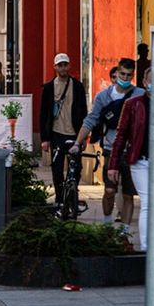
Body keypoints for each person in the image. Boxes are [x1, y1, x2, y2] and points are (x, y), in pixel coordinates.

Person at [71, 59, 143, 225]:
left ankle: (124, 232)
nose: (125, 78)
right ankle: (107, 221)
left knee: (128, 194)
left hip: (133, 151)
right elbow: (91, 120)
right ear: (116, 73)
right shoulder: (103, 97)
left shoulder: (139, 94)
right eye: (122, 74)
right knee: (110, 190)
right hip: (111, 149)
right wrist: (77, 142)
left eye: (129, 75)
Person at [109, 68, 153, 250]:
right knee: (147, 202)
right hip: (140, 161)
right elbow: (121, 135)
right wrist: (113, 164)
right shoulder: (133, 104)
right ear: (144, 81)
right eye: (151, 79)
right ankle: (145, 248)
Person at [39, 53, 88, 202]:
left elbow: (84, 111)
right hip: (56, 133)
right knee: (57, 168)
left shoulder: (78, 86)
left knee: (76, 168)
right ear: (55, 67)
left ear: (69, 65)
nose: (63, 68)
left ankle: (71, 196)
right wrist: (45, 139)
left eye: (65, 64)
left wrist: (83, 137)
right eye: (60, 65)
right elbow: (43, 113)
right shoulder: (48, 88)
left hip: (75, 134)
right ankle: (60, 200)